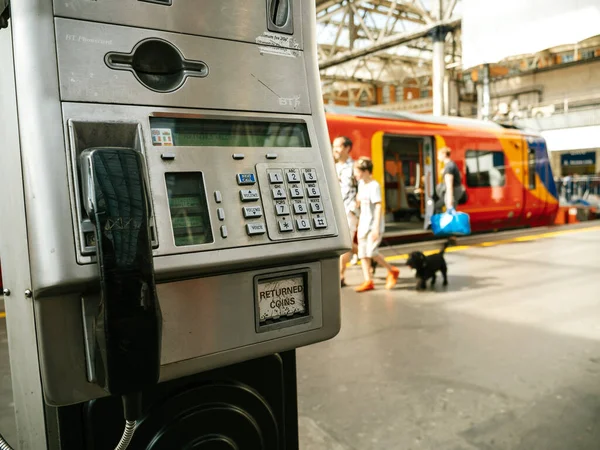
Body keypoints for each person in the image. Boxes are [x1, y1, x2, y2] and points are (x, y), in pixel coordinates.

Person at [353, 157, 400, 293]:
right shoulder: (361, 184)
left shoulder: (374, 186)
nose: (356, 175)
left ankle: (392, 270)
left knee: (372, 252)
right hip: (363, 222)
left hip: (374, 223)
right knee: (362, 253)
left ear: (366, 171)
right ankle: (368, 280)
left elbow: (379, 206)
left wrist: (376, 227)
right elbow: (360, 201)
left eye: (358, 172)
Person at [332, 136, 358, 287]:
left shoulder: (354, 167)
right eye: (333, 146)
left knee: (345, 243)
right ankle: (369, 256)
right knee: (345, 242)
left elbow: (361, 188)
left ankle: (340, 275)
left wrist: (357, 209)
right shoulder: (333, 166)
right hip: (336, 209)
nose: (335, 150)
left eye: (338, 146)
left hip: (349, 210)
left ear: (347, 148)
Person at [434, 146, 464, 214]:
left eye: (439, 155)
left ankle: (443, 222)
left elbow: (449, 186)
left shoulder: (449, 167)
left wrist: (449, 201)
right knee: (438, 205)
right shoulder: (451, 164)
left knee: (450, 213)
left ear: (444, 154)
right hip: (455, 191)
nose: (437, 157)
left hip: (452, 192)